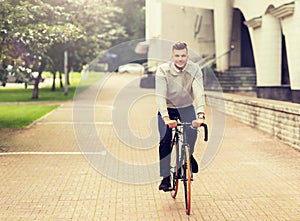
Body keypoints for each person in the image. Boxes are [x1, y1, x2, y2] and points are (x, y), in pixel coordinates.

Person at [155, 41, 205, 191]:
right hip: (168, 109)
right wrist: (165, 118)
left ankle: (188, 157)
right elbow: (160, 95)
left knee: (192, 132)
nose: (180, 59)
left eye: (183, 55)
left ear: (187, 56)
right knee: (165, 140)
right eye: (177, 56)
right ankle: (165, 178)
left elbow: (199, 91)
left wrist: (201, 114)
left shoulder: (195, 69)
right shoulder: (163, 70)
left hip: (186, 107)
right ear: (172, 56)